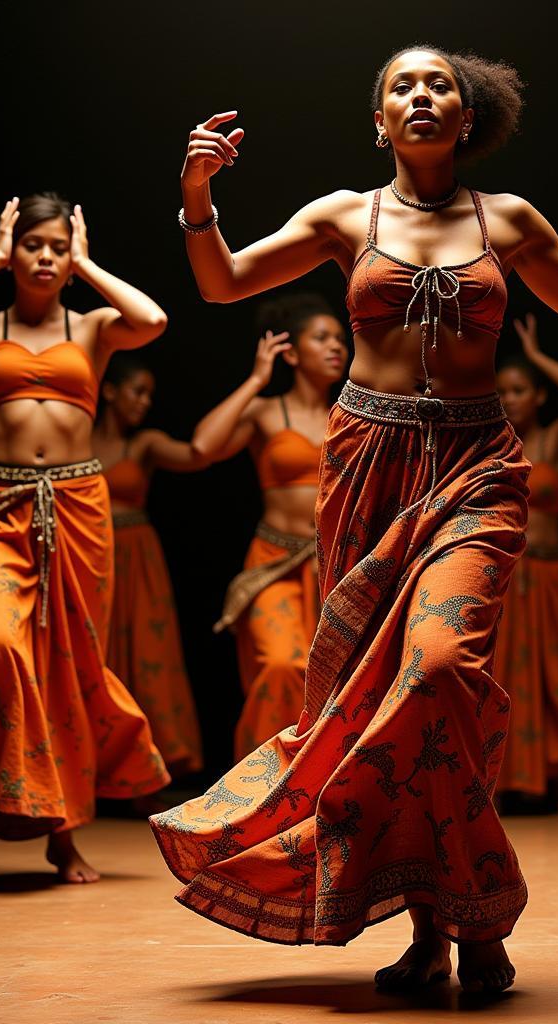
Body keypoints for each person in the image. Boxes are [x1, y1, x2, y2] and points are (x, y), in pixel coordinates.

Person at [150, 44, 558, 993]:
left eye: (438, 83)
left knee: (439, 672)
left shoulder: (509, 222)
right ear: (380, 121)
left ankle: (480, 907)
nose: (422, 95)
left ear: (467, 116)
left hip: (479, 467)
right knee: (379, 703)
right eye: (402, 86)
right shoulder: (340, 217)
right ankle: (435, 928)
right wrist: (198, 196)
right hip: (369, 470)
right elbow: (222, 281)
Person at [0, 192, 171, 896]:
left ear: (70, 258)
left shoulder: (93, 328)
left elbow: (152, 319)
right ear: (14, 251)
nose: (43, 256)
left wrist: (89, 267)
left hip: (77, 510)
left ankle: (62, 837)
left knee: (65, 668)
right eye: (32, 245)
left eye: (56, 247)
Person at [188, 293, 347, 757]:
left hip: (333, 567)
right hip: (273, 562)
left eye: (340, 338)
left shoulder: (352, 416)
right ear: (291, 353)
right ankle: (255, 786)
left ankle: (312, 788)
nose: (336, 346)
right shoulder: (266, 412)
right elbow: (203, 446)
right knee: (280, 664)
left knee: (332, 681)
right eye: (322, 338)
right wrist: (256, 380)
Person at [493, 313, 558, 810]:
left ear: (537, 395)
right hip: (503, 576)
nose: (509, 398)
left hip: (552, 571)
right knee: (500, 676)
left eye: (519, 389)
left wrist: (536, 359)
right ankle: (501, 779)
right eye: (503, 391)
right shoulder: (487, 445)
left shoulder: (557, 440)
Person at [92, 355, 206, 777]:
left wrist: (255, 380)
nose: (144, 402)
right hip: (90, 556)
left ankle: (146, 770)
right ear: (108, 391)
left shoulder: (144, 444)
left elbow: (198, 453)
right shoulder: (75, 439)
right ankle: (92, 768)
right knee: (96, 656)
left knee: (146, 657)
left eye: (149, 395)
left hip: (137, 558)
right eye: (137, 391)